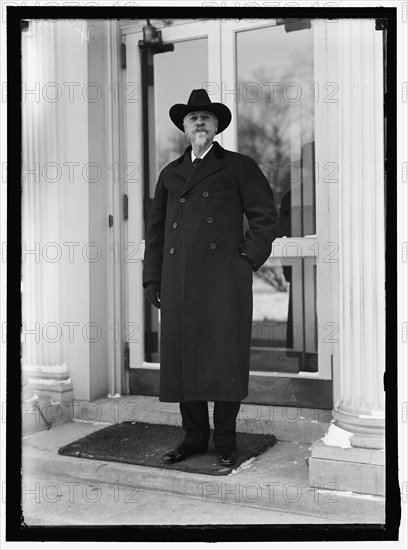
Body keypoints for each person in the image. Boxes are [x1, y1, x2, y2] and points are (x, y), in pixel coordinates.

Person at [143, 89, 278, 466]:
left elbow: (265, 218)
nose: (199, 122)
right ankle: (194, 437)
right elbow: (156, 233)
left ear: (217, 126)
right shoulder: (170, 174)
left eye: (206, 117)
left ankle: (227, 440)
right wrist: (153, 279)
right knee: (186, 359)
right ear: (184, 128)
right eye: (192, 118)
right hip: (179, 280)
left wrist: (247, 259)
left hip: (223, 281)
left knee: (223, 359)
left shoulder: (239, 166)